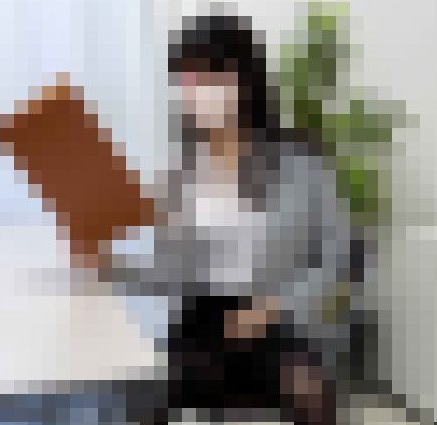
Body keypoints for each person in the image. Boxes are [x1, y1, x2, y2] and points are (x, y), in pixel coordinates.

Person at [111, 13, 352, 425]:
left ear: (246, 81)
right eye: (188, 80)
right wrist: (112, 266)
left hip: (280, 322)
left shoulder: (303, 165)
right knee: (136, 397)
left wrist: (272, 309)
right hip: (202, 326)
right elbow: (170, 273)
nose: (197, 91)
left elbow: (337, 260)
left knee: (311, 394)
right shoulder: (178, 177)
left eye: (211, 76)